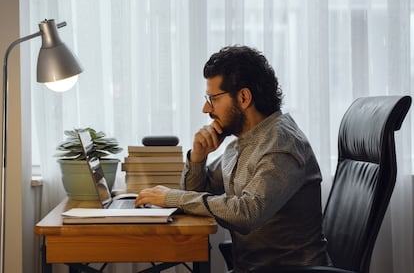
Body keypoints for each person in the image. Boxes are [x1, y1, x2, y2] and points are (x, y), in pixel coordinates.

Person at [135, 45, 331, 272]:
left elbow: (246, 212)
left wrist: (172, 198)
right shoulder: (242, 143)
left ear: (244, 97)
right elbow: (197, 194)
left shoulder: (281, 144)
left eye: (213, 98)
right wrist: (198, 157)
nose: (206, 108)